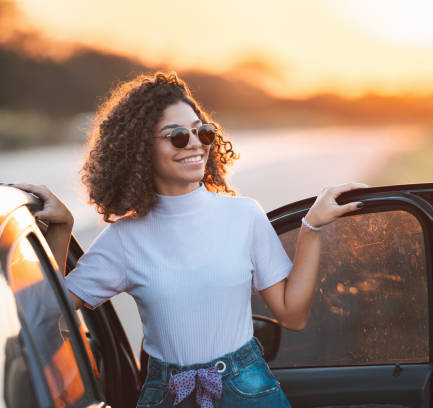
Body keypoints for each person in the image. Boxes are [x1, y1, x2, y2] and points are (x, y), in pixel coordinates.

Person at [14, 72, 367, 408]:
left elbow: (293, 315)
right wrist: (62, 230)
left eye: (203, 132)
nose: (195, 144)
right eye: (178, 136)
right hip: (165, 394)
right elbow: (45, 310)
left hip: (248, 388)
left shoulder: (244, 215)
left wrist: (312, 228)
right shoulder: (123, 239)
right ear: (141, 149)